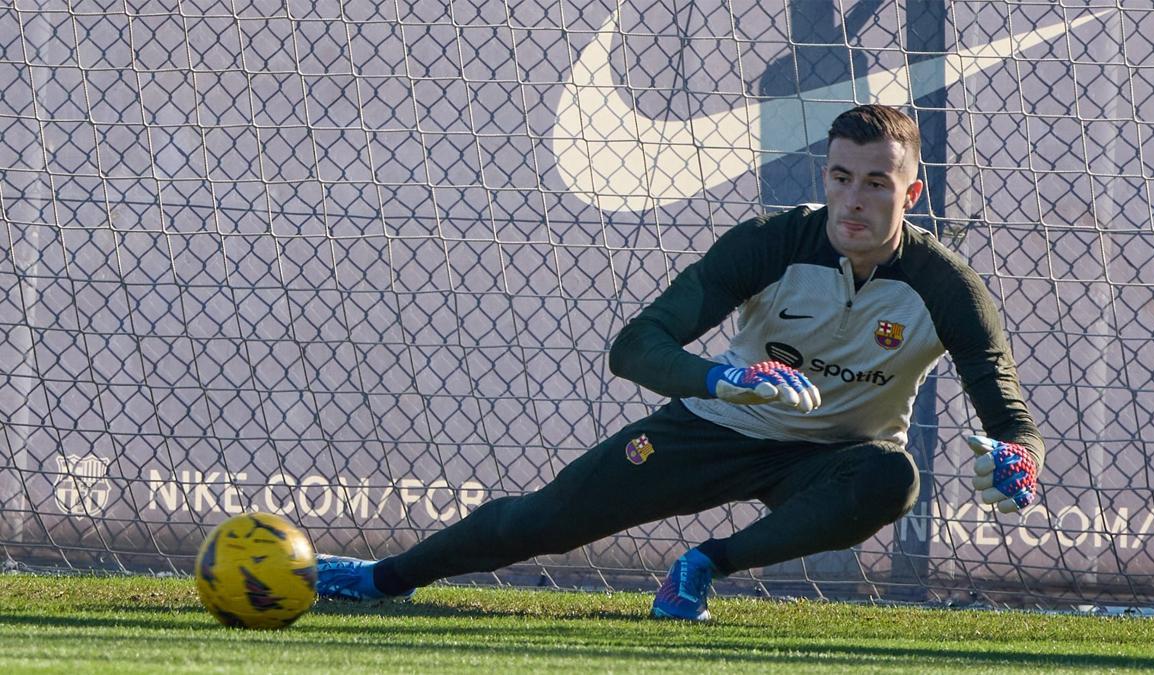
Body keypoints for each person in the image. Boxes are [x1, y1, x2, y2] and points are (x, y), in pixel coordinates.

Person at [315, 104, 1044, 621]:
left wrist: (1021, 457)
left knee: (895, 476)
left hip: (834, 458)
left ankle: (704, 565)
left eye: (877, 183)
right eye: (840, 176)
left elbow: (1005, 406)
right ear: (824, 176)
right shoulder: (769, 243)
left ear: (911, 192)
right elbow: (635, 345)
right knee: (542, 521)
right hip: (714, 426)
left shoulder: (948, 286)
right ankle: (384, 578)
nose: (852, 199)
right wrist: (723, 378)